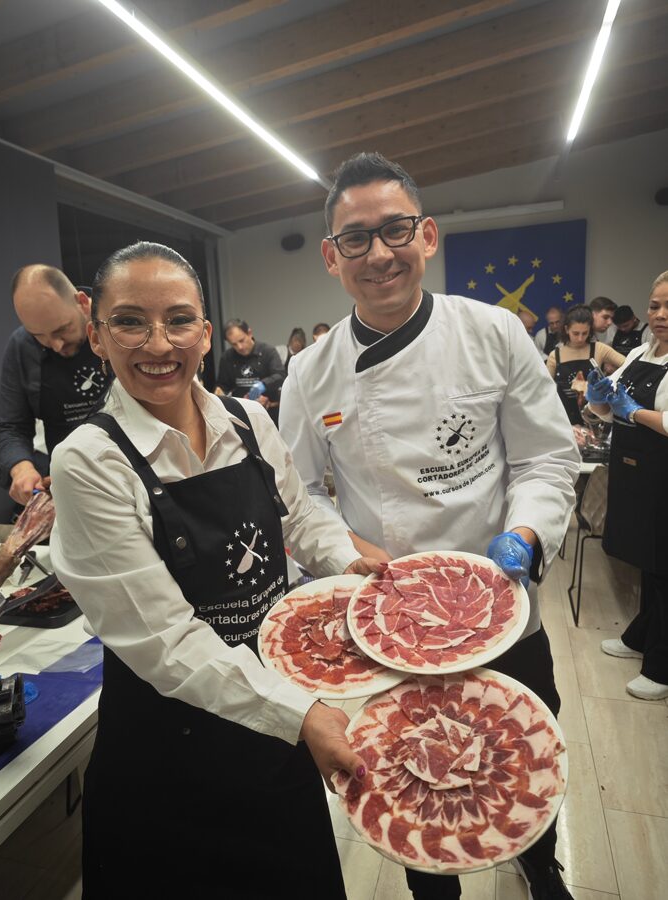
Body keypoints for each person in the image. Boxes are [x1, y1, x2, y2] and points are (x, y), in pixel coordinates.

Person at [279, 152, 580, 900]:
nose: (378, 253)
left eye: (395, 231)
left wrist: (529, 537)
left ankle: (543, 870)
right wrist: (343, 550)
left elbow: (545, 461)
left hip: (503, 599)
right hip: (393, 616)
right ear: (330, 256)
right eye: (356, 238)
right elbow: (298, 495)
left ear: (428, 236)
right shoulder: (309, 373)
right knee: (412, 773)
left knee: (523, 751)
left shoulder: (494, 333)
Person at [49, 241, 382, 899]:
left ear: (205, 332)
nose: (157, 343)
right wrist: (302, 714)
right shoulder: (89, 461)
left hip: (271, 723)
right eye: (129, 321)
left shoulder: (248, 419)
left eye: (177, 320)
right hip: (167, 751)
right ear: (96, 334)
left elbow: (297, 519)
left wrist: (352, 560)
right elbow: (167, 643)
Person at [585, 271, 668, 701]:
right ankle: (640, 637)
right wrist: (599, 397)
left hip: (663, 478)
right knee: (649, 563)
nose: (660, 314)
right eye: (655, 305)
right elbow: (606, 407)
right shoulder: (639, 352)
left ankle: (661, 666)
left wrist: (632, 411)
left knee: (665, 568)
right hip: (636, 475)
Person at [0, 265, 110, 504]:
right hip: (69, 484)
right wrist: (21, 468)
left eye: (62, 330)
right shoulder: (21, 347)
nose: (55, 345)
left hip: (137, 475)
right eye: (40, 336)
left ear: (82, 302)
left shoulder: (116, 325)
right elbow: (11, 427)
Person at [546, 305, 625, 424]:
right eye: (576, 333)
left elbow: (630, 366)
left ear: (590, 331)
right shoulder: (555, 355)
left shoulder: (600, 349)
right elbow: (545, 388)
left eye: (585, 333)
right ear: (567, 330)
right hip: (564, 419)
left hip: (595, 418)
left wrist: (611, 381)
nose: (580, 338)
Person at [215, 317, 285, 405]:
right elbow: (223, 385)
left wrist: (263, 384)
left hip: (268, 408)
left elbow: (280, 375)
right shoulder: (227, 357)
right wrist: (219, 392)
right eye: (234, 344)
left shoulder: (268, 351)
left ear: (249, 333)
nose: (239, 347)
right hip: (240, 408)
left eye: (241, 340)